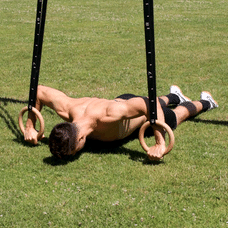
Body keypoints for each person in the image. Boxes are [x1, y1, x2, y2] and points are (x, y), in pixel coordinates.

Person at [24, 85, 218, 160]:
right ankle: (174, 95)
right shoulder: (67, 109)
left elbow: (147, 104)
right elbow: (39, 91)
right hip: (124, 105)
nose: (77, 153)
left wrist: (160, 143)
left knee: (177, 116)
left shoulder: (110, 115)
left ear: (81, 138)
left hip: (138, 116)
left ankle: (206, 101)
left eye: (75, 151)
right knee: (150, 102)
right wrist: (30, 126)